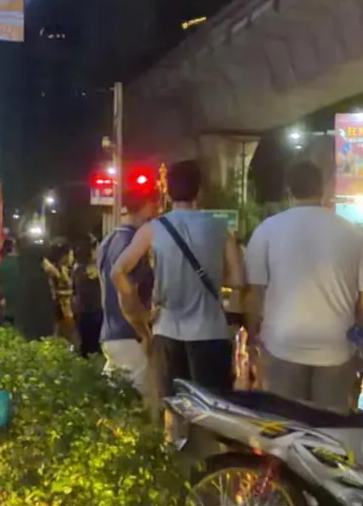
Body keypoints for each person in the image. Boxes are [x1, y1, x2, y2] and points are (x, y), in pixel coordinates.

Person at [244, 161, 363, 412]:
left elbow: (254, 293)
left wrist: (253, 334)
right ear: (322, 190)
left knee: (285, 421)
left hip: (282, 342)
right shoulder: (353, 233)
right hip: (336, 345)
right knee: (330, 424)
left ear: (289, 191)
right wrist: (356, 325)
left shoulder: (266, 231)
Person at [112, 159, 245, 403]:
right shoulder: (220, 228)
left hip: (167, 331)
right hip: (210, 332)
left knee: (173, 408)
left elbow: (118, 271)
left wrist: (139, 313)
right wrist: (214, 273)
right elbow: (238, 280)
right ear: (199, 190)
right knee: (215, 408)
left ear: (167, 191)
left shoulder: (153, 229)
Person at [97, 189, 158, 400]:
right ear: (148, 206)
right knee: (145, 403)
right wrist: (144, 332)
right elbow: (126, 291)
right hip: (131, 336)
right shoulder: (133, 244)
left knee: (116, 406)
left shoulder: (108, 240)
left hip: (111, 334)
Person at [72, 242, 103, 357]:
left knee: (86, 342)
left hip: (83, 309)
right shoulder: (90, 269)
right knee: (93, 343)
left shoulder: (77, 269)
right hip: (93, 309)